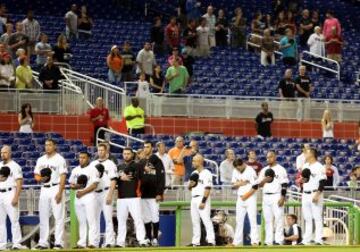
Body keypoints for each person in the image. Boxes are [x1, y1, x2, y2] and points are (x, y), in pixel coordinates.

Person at [33, 139, 67, 249]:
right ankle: (43, 242)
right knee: (43, 217)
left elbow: (63, 176)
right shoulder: (40, 159)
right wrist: (40, 179)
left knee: (59, 217)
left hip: (56, 187)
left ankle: (59, 242)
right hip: (44, 189)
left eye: (50, 145)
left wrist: (60, 192)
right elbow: (36, 175)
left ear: (54, 146)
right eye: (46, 145)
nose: (47, 147)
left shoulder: (60, 159)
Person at [116, 148, 149, 247]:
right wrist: (120, 176)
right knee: (121, 220)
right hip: (121, 197)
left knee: (138, 219)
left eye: (128, 154)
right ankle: (120, 242)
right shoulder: (119, 166)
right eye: (124, 153)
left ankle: (142, 240)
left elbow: (137, 176)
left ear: (132, 154)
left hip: (134, 196)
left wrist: (122, 175)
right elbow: (113, 179)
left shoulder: (137, 165)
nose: (126, 155)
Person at [68, 151, 99, 249]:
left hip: (89, 196)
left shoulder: (93, 169)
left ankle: (92, 242)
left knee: (91, 220)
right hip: (78, 197)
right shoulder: (75, 170)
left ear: (88, 158)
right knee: (81, 221)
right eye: (80, 157)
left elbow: (95, 184)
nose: (81, 159)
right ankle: (81, 243)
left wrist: (83, 192)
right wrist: (76, 186)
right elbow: (71, 183)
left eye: (83, 157)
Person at [0, 145, 28, 250]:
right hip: (0, 194)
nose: (3, 154)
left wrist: (16, 197)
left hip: (10, 193)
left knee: (14, 220)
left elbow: (19, 182)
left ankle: (17, 243)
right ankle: (2, 244)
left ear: (10, 153)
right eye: (2, 152)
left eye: (5, 152)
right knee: (0, 222)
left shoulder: (15, 166)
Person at [258, 151, 289, 245]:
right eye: (267, 157)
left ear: (275, 157)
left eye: (270, 157)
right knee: (268, 220)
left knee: (279, 219)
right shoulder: (264, 170)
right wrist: (265, 180)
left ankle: (279, 240)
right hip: (266, 196)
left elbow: (284, 184)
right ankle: (268, 241)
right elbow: (259, 184)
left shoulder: (281, 169)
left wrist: (283, 197)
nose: (268, 159)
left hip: (276, 195)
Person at [90, 143, 118, 247]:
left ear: (106, 151)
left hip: (106, 192)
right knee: (94, 218)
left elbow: (114, 180)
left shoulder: (110, 163)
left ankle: (110, 242)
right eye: (99, 150)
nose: (100, 152)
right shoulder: (93, 164)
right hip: (95, 193)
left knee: (108, 218)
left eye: (102, 150)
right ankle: (94, 242)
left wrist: (110, 195)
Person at [139, 141, 165, 246]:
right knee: (146, 217)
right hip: (143, 194)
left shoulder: (158, 161)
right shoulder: (141, 162)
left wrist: (159, 193)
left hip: (154, 194)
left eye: (148, 147)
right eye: (144, 147)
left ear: (152, 148)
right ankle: (148, 238)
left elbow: (161, 178)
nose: (146, 149)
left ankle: (155, 238)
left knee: (155, 216)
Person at [300, 148, 326, 245]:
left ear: (312, 154)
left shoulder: (319, 166)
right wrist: (302, 181)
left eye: (306, 152)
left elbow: (323, 182)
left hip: (315, 193)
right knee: (307, 218)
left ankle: (318, 239)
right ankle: (306, 239)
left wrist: (317, 194)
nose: (305, 154)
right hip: (305, 193)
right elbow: (306, 180)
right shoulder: (305, 165)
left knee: (317, 217)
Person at [188, 154, 215, 246]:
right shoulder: (193, 173)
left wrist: (203, 201)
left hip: (202, 198)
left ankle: (211, 240)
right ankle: (196, 242)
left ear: (200, 161)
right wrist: (190, 184)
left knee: (206, 220)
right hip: (193, 198)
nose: (193, 162)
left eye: (194, 160)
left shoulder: (207, 173)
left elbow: (208, 188)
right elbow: (190, 188)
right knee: (195, 221)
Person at [231, 158, 259, 246]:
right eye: (236, 168)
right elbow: (233, 186)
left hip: (250, 198)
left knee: (252, 219)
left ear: (243, 164)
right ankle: (236, 242)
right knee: (239, 221)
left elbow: (255, 187)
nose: (238, 169)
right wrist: (239, 184)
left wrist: (246, 195)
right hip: (240, 198)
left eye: (239, 167)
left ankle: (255, 241)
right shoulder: (235, 171)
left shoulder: (251, 171)